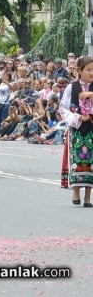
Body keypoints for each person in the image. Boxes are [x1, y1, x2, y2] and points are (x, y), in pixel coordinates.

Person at [60, 56, 93, 208]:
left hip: (92, 128)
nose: (91, 73)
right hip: (77, 129)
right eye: (88, 70)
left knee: (91, 162)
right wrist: (78, 117)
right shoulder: (71, 87)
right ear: (80, 71)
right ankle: (76, 192)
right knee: (77, 161)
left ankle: (88, 196)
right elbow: (63, 108)